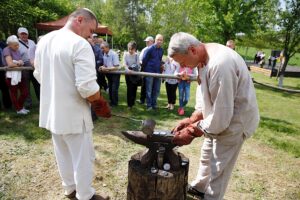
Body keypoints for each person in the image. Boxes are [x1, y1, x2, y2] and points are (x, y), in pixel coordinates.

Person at [168, 32, 260, 200]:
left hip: (235, 122)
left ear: (192, 50)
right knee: (207, 154)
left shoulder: (220, 64)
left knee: (219, 166)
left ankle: (212, 197)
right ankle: (200, 188)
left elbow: (222, 117)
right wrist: (191, 119)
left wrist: (192, 131)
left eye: (183, 62)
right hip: (218, 117)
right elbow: (206, 98)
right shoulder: (202, 59)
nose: (184, 67)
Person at [33, 8, 111, 200]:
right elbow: (87, 87)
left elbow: (38, 74)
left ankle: (69, 189)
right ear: (79, 20)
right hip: (75, 114)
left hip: (53, 111)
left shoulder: (45, 40)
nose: (91, 35)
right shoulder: (80, 44)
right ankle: (85, 195)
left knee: (63, 155)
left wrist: (59, 88)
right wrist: (99, 102)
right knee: (83, 158)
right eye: (91, 30)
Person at [2, 35, 29, 114]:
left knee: (25, 92)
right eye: (15, 45)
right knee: (14, 93)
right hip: (11, 75)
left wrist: (18, 62)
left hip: (19, 73)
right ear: (9, 45)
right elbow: (10, 64)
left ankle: (20, 107)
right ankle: (18, 109)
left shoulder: (17, 50)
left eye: (18, 45)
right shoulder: (6, 50)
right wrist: (19, 63)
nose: (17, 46)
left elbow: (19, 61)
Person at [18, 27, 40, 107]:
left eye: (25, 34)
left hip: (34, 65)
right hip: (23, 65)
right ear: (19, 35)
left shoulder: (31, 42)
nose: (24, 35)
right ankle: (28, 103)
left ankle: (41, 101)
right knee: (26, 85)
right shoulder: (16, 43)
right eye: (22, 34)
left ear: (28, 34)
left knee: (37, 83)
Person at [142, 34, 164, 110]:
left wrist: (161, 66)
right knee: (149, 90)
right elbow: (144, 60)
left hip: (158, 72)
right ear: (155, 40)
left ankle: (154, 104)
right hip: (149, 72)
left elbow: (160, 60)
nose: (159, 41)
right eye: (158, 39)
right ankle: (149, 105)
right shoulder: (150, 49)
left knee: (156, 90)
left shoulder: (161, 50)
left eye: (161, 40)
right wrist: (144, 71)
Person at [100, 41, 120, 107]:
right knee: (110, 88)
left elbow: (116, 67)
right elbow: (105, 65)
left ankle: (115, 103)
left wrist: (106, 69)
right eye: (101, 48)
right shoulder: (104, 54)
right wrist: (102, 67)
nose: (101, 49)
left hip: (115, 74)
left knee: (114, 89)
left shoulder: (114, 54)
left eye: (103, 48)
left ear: (107, 47)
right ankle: (112, 102)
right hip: (109, 74)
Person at [123, 41, 141, 109]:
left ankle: (133, 102)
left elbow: (138, 65)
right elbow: (124, 64)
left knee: (134, 88)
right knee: (129, 89)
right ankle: (129, 104)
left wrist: (133, 70)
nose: (130, 50)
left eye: (132, 49)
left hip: (135, 73)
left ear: (134, 49)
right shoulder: (125, 54)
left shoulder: (137, 55)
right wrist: (128, 70)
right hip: (128, 73)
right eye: (129, 49)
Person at [138, 36, 154, 104]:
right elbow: (140, 59)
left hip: (152, 70)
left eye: (148, 41)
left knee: (151, 87)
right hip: (144, 69)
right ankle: (142, 100)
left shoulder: (155, 49)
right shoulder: (144, 49)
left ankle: (150, 102)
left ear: (152, 42)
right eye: (146, 42)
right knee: (143, 85)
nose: (146, 43)